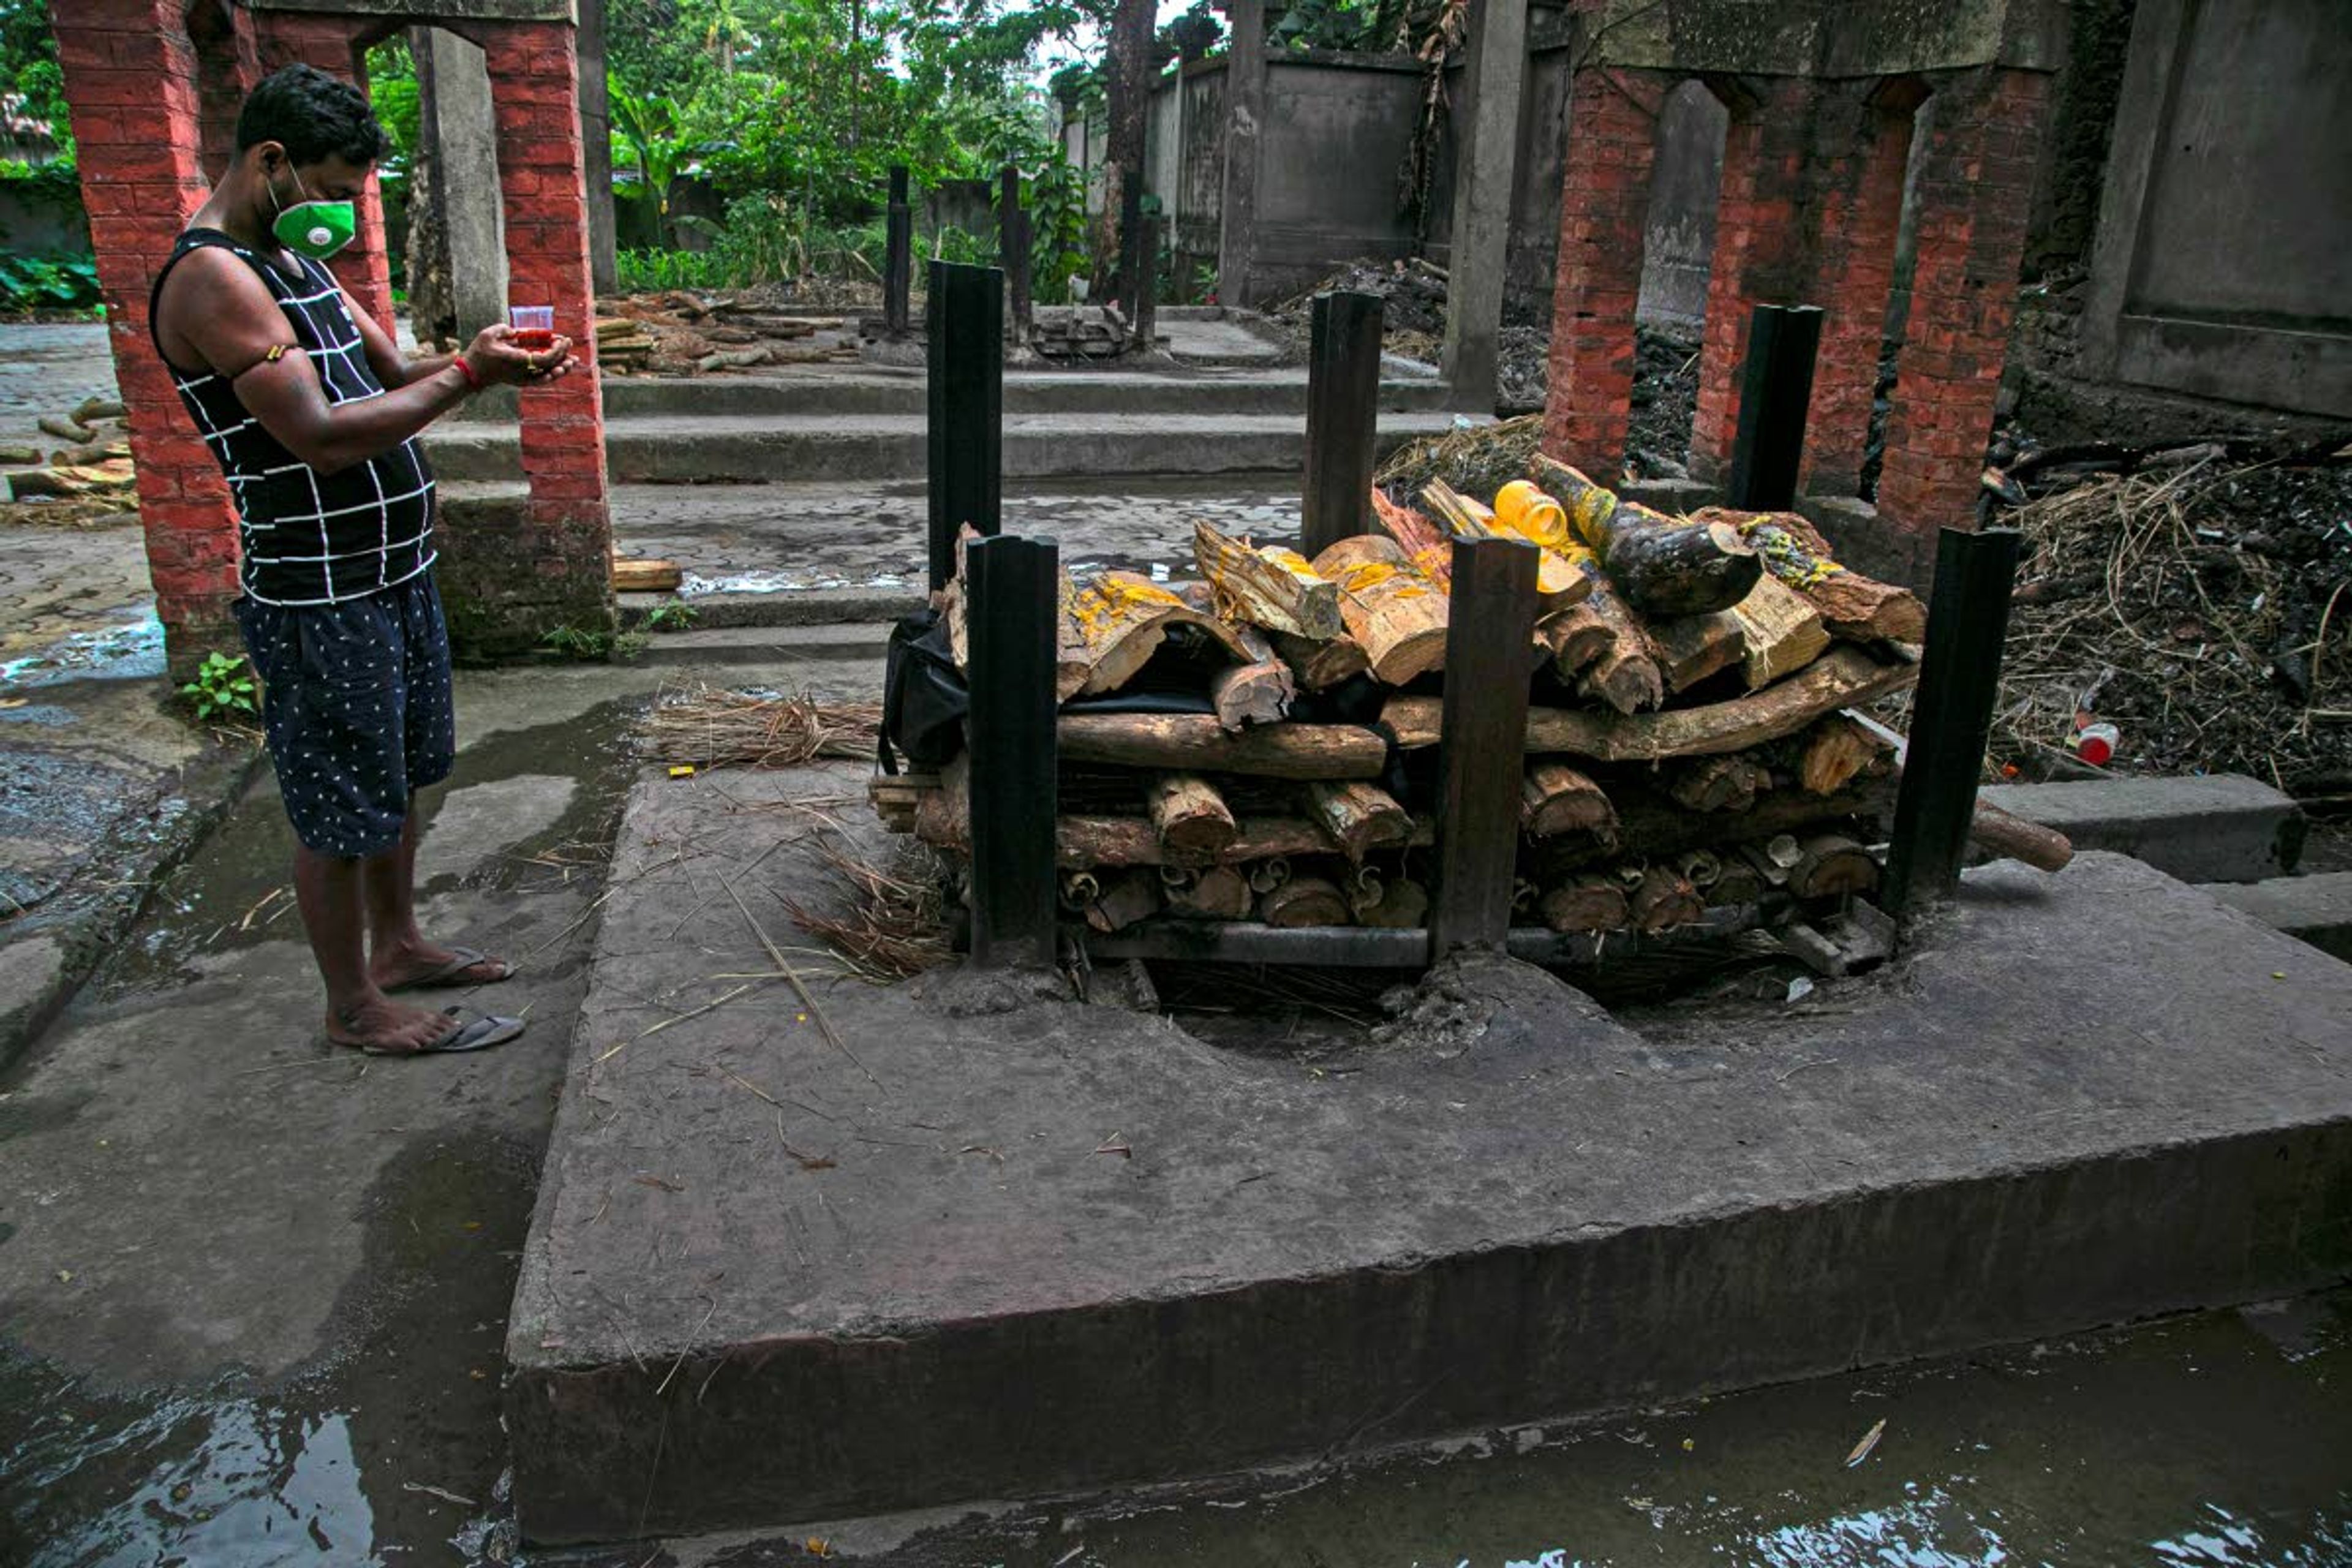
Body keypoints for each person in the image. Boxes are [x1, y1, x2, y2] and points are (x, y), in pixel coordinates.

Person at [150, 63, 577, 1055]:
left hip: (395, 570)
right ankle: (354, 1008)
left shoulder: (301, 265)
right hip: (320, 588)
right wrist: (471, 379)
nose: (343, 211)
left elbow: (393, 374)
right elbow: (324, 435)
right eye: (335, 189)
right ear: (272, 163)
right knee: (341, 803)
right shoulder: (215, 277)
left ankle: (401, 944)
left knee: (400, 775)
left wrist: (481, 355)